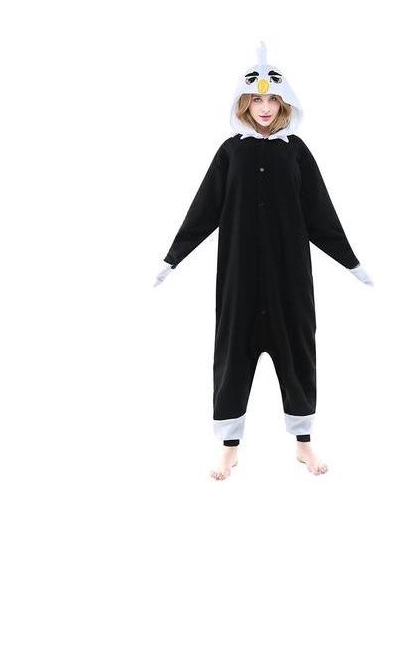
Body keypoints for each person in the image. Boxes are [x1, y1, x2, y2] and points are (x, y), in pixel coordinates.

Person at [154, 42, 373, 480]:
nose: (265, 107)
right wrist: (173, 258)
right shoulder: (231, 152)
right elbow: (204, 209)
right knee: (232, 356)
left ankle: (304, 444)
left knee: (298, 352)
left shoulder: (296, 152)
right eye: (257, 100)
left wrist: (350, 262)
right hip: (239, 281)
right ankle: (229, 449)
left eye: (273, 99)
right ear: (244, 104)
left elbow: (320, 213)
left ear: (285, 103)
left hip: (289, 280)